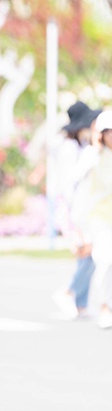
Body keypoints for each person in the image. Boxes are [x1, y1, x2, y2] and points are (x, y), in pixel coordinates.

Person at [54, 102, 100, 319]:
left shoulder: (81, 146)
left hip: (81, 207)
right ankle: (68, 291)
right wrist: (75, 218)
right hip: (74, 208)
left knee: (86, 254)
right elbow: (68, 183)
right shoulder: (71, 148)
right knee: (90, 252)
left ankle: (80, 303)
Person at [82, 110, 112, 328]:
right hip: (100, 218)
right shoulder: (93, 156)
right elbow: (76, 183)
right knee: (105, 262)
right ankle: (104, 306)